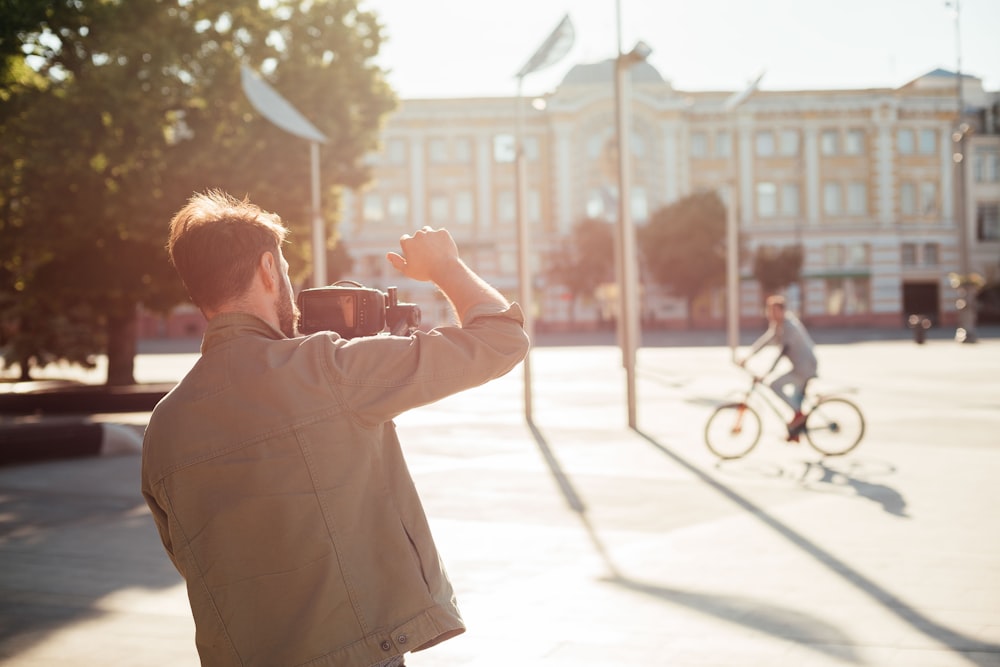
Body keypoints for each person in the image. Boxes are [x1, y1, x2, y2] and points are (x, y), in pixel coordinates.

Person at [141, 190, 530, 667]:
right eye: (285, 270)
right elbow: (501, 339)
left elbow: (192, 558)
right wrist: (445, 266)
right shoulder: (326, 368)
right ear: (267, 269)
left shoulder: (165, 425)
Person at [738, 294, 817, 441]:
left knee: (775, 385)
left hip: (805, 368)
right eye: (769, 311)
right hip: (801, 367)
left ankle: (798, 417)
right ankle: (796, 432)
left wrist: (767, 373)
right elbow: (765, 340)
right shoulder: (779, 325)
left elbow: (782, 352)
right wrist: (748, 356)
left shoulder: (789, 327)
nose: (770, 315)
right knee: (795, 401)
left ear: (782, 311)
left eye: (774, 311)